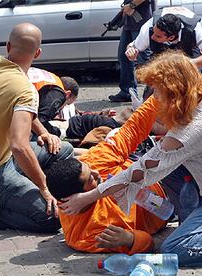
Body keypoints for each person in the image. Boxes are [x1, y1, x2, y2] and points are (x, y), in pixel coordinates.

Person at [59, 50, 202, 268]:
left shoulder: (193, 128)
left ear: (174, 91)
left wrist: (88, 197)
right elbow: (141, 124)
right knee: (158, 182)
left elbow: (140, 171)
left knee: (175, 248)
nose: (154, 98)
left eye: (157, 91)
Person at [0, 23, 74, 233]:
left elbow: (19, 114)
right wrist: (44, 189)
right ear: (38, 53)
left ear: (8, 46)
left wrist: (44, 133)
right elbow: (19, 146)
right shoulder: (25, 90)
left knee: (63, 149)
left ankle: (20, 195)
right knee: (52, 219)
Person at [45, 96, 168, 254]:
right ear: (74, 199)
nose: (96, 173)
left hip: (153, 166)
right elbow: (148, 243)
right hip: (166, 206)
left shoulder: (93, 161)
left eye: (90, 169)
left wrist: (159, 94)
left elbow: (133, 129)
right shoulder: (87, 235)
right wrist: (130, 239)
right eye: (90, 179)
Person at [125, 6, 202, 99]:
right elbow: (132, 46)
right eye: (153, 32)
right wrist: (131, 51)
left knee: (191, 90)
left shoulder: (194, 29)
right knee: (153, 90)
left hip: (188, 56)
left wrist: (183, 66)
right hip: (161, 55)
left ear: (171, 37)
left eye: (157, 36)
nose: (152, 37)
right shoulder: (149, 26)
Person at [108, 0, 155, 103]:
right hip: (130, 23)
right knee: (124, 56)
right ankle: (127, 92)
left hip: (141, 23)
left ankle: (153, 92)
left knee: (144, 59)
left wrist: (132, 5)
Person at [27, 67, 79, 136]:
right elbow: (40, 121)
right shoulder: (57, 94)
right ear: (68, 94)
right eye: (66, 104)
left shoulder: (54, 79)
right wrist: (57, 132)